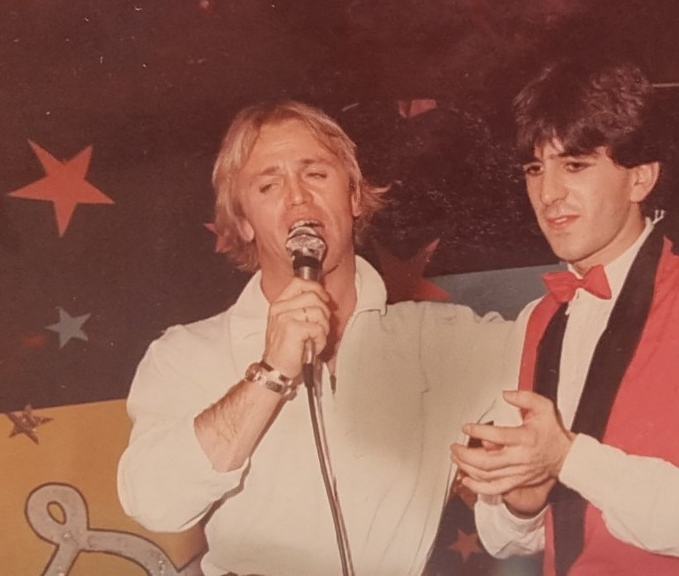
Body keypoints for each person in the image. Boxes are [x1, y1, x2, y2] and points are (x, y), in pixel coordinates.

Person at [117, 100, 515, 576]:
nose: (298, 198)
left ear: (354, 197)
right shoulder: (186, 353)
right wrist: (269, 374)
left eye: (316, 174)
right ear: (242, 221)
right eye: (268, 185)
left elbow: (563, 347)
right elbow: (154, 503)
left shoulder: (443, 340)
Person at [450, 58, 679, 576]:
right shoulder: (536, 319)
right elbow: (506, 541)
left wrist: (568, 458)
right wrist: (523, 497)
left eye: (575, 165)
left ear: (640, 178)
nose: (548, 194)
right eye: (535, 169)